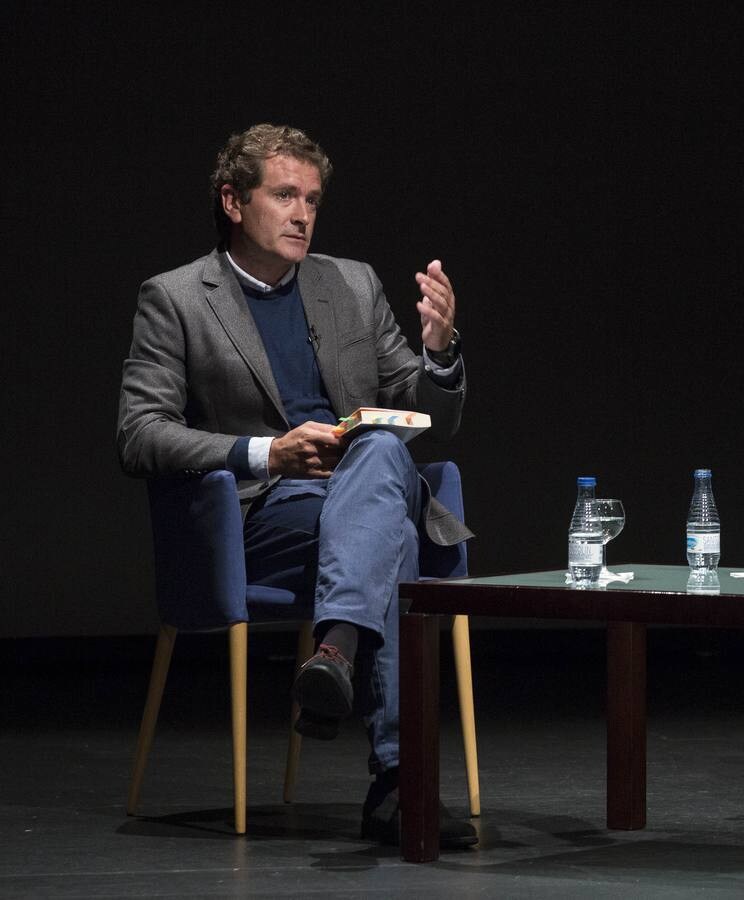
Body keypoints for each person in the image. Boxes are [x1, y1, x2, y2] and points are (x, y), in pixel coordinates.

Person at [117, 123, 476, 847]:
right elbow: (140, 433)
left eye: (312, 198)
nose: (302, 214)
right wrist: (264, 453)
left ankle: (335, 654)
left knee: (378, 449)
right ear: (232, 200)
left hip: (357, 497)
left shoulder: (351, 282)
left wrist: (439, 354)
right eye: (284, 195)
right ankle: (399, 783)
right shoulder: (177, 298)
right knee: (396, 530)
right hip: (260, 518)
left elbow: (424, 412)